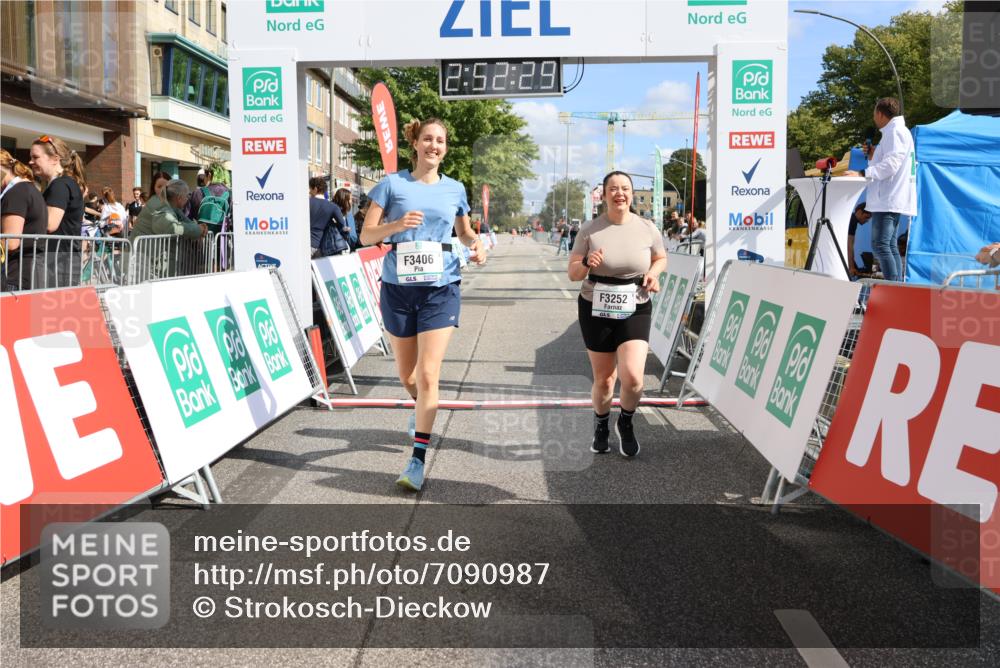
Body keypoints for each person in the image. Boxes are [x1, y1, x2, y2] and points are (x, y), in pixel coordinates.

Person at [360, 117, 486, 491]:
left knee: (429, 374)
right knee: (409, 377)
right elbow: (365, 235)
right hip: (399, 289)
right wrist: (396, 226)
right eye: (428, 139)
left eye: (440, 141)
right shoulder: (391, 185)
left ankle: (416, 460)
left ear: (445, 148)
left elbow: (464, 233)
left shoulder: (455, 189)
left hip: (441, 288)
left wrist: (476, 245)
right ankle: (422, 408)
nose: (434, 145)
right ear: (415, 144)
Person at [568, 171, 667, 457]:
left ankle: (625, 421)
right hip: (595, 306)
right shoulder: (590, 229)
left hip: (635, 304)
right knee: (605, 380)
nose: (619, 193)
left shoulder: (647, 227)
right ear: (604, 195)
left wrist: (653, 274)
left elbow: (661, 258)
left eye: (625, 188)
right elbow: (573, 273)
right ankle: (601, 425)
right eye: (613, 189)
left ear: (632, 194)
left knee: (634, 378)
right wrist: (587, 262)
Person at [864, 97, 917, 282]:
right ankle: (895, 285)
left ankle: (892, 286)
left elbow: (891, 165)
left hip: (889, 198)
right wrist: (873, 156)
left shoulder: (895, 132)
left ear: (880, 114)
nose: (874, 118)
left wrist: (864, 173)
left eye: (874, 114)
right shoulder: (896, 132)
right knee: (889, 245)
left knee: (881, 245)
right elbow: (891, 161)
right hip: (890, 197)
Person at [29, 135, 87, 286]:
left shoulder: (60, 185)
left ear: (55, 159)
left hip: (58, 262)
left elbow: (50, 224)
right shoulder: (61, 184)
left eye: (35, 157)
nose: (30, 162)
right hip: (60, 260)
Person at [1, 149, 48, 290]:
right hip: (26, 273)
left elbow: (10, 242)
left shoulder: (16, 192)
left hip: (15, 276)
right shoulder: (26, 189)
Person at [308, 177, 350, 257]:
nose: (309, 191)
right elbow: (342, 224)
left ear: (315, 189)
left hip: (304, 243)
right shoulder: (333, 207)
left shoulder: (306, 202)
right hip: (320, 245)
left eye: (310, 188)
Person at [188, 162, 232, 233]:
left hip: (202, 236)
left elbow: (188, 217)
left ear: (209, 175)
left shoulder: (198, 193)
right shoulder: (230, 194)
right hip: (223, 237)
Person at [847, 202, 872, 278]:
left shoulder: (851, 218)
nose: (867, 221)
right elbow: (849, 245)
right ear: (859, 212)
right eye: (866, 217)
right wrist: (851, 267)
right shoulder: (853, 220)